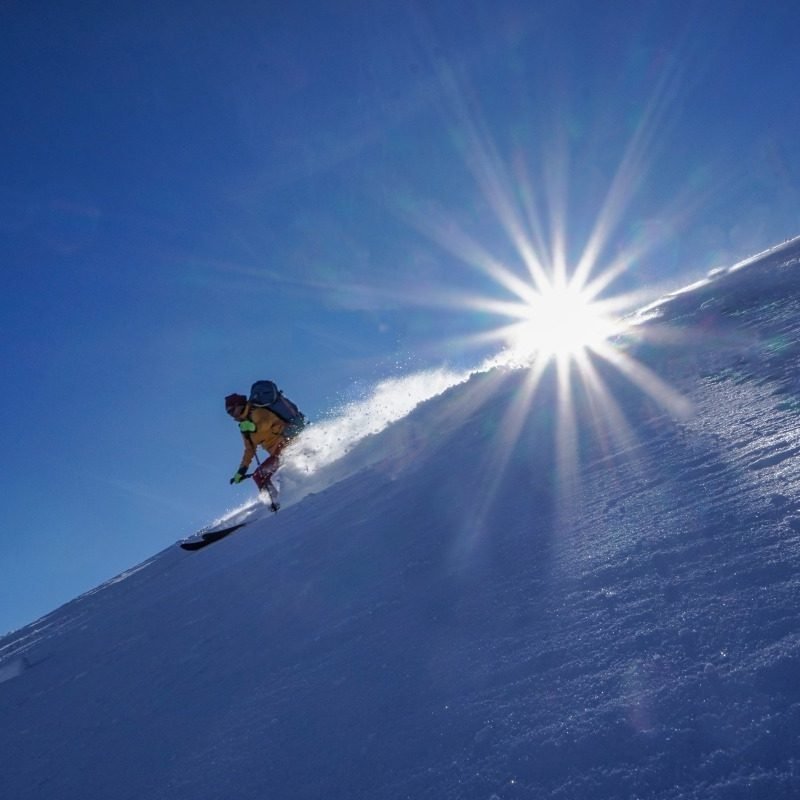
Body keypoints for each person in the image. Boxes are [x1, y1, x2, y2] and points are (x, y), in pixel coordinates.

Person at [225, 391, 294, 508]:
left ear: (239, 405)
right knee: (260, 476)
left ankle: (276, 501)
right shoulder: (244, 426)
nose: (231, 414)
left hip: (286, 442)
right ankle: (276, 499)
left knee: (259, 475)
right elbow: (249, 450)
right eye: (228, 413)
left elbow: (266, 422)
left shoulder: (256, 411)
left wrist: (253, 427)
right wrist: (242, 470)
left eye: (232, 410)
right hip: (276, 452)